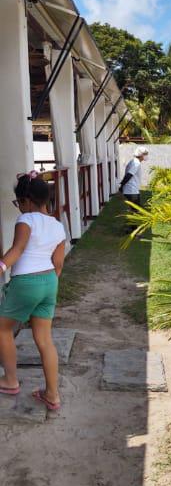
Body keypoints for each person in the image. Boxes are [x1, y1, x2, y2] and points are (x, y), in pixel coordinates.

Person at [0, 172, 66, 410]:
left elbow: (17, 250)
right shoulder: (58, 226)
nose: (19, 208)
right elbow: (58, 264)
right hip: (49, 282)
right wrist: (46, 285)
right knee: (45, 340)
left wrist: (1, 267)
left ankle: (10, 380)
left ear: (27, 200)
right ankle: (52, 394)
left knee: (3, 328)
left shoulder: (26, 220)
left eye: (19, 203)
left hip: (26, 281)